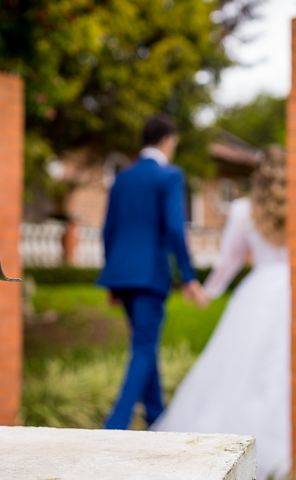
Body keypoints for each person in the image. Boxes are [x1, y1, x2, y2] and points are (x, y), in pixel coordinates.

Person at [152, 149, 290, 480]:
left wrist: (207, 292)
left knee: (242, 367)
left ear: (258, 174)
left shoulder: (244, 210)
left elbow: (229, 260)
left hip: (259, 292)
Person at [97, 114, 205, 430]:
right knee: (144, 347)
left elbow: (108, 230)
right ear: (168, 140)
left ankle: (157, 417)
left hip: (122, 275)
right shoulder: (169, 176)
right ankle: (115, 426)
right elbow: (175, 228)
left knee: (145, 343)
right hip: (149, 276)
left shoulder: (122, 178)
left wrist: (113, 283)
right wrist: (188, 276)